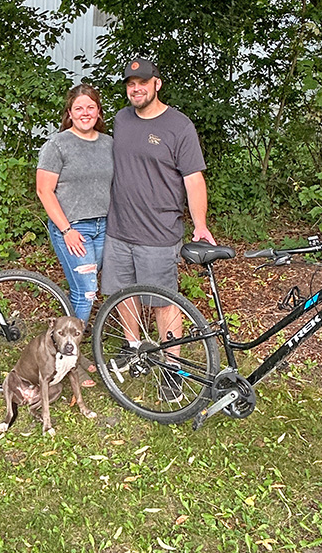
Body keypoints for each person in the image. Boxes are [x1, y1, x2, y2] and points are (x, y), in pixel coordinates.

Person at [101, 58, 215, 366]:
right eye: (130, 84)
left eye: (142, 83)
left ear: (157, 84)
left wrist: (200, 224)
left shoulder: (179, 126)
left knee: (163, 302)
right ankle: (134, 346)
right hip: (119, 230)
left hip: (158, 234)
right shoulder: (121, 120)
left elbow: (193, 179)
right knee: (123, 294)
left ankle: (171, 366)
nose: (136, 89)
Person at [36, 84, 114, 329]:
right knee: (88, 290)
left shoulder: (109, 144)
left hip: (105, 226)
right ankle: (69, 352)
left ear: (99, 112)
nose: (85, 113)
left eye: (91, 107)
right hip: (73, 228)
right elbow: (43, 190)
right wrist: (66, 230)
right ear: (69, 113)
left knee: (82, 288)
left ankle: (63, 335)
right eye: (78, 108)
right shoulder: (57, 145)